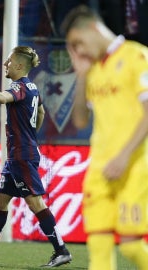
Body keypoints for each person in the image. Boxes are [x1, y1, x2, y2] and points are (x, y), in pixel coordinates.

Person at [0, 46, 72, 268]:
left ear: (19, 65)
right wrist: (31, 132)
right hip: (17, 154)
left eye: (8, 61)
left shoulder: (19, 86)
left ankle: (61, 250)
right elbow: (42, 113)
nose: (5, 64)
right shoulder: (32, 87)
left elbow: (1, 98)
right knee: (1, 201)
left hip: (22, 155)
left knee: (34, 202)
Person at [61, 5, 148, 270]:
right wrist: (81, 77)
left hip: (134, 163)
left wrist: (123, 157)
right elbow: (79, 121)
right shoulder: (94, 69)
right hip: (100, 166)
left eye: (78, 43)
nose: (79, 52)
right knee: (98, 245)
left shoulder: (137, 56)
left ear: (93, 28)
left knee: (132, 244)